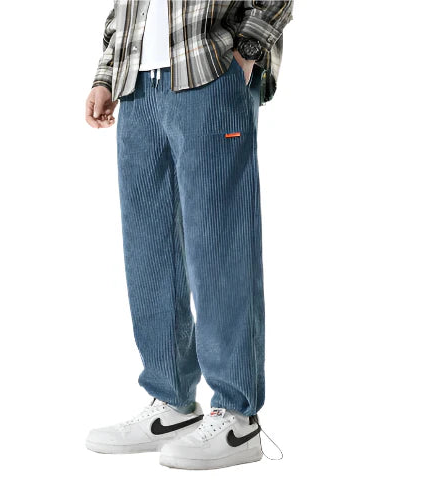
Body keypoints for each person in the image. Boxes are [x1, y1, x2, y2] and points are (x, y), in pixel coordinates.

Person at [85, 0, 293, 470]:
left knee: (219, 247)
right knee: (149, 250)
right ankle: (172, 402)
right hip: (138, 85)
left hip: (209, 72)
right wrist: (106, 75)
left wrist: (245, 54)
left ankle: (237, 416)